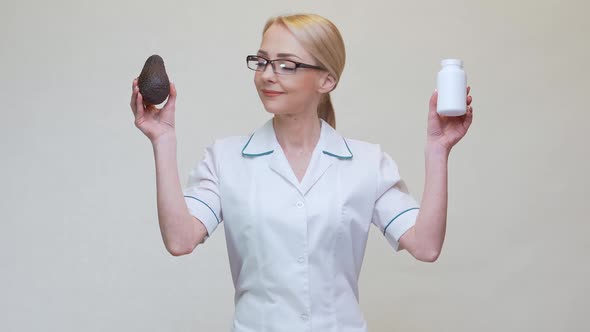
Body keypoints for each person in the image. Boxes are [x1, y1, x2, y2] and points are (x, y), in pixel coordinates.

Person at [129, 13, 473, 332]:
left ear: (327, 79)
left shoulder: (367, 163)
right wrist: (163, 140)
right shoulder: (225, 159)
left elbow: (426, 246)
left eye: (286, 65)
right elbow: (179, 239)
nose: (266, 74)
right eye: (261, 61)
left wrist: (438, 150)